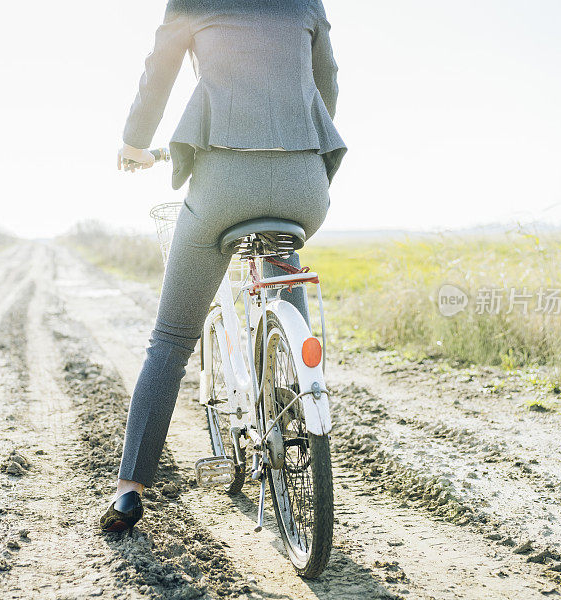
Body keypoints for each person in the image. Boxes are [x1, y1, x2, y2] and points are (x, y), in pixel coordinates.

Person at [101, 0, 346, 534]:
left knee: (170, 339)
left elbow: (158, 73)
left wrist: (134, 142)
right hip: (304, 186)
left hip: (221, 188)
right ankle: (294, 400)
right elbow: (325, 79)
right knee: (283, 258)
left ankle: (127, 492)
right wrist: (300, 139)